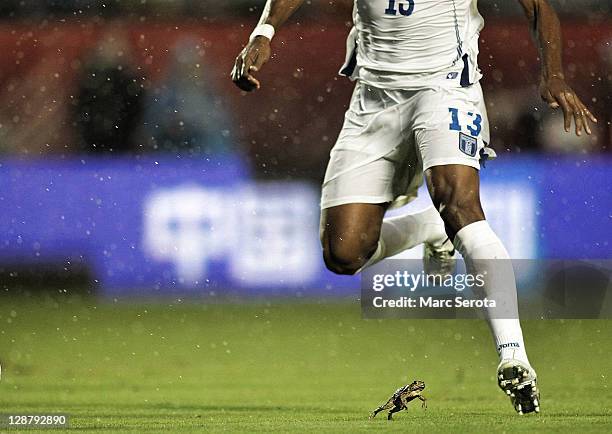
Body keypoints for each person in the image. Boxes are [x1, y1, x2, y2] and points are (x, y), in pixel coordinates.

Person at [231, 0, 597, 414]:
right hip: (373, 100)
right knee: (344, 252)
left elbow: (536, 7)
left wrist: (554, 74)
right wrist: (263, 32)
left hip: (445, 88)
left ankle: (514, 356)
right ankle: (429, 226)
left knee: (459, 202)